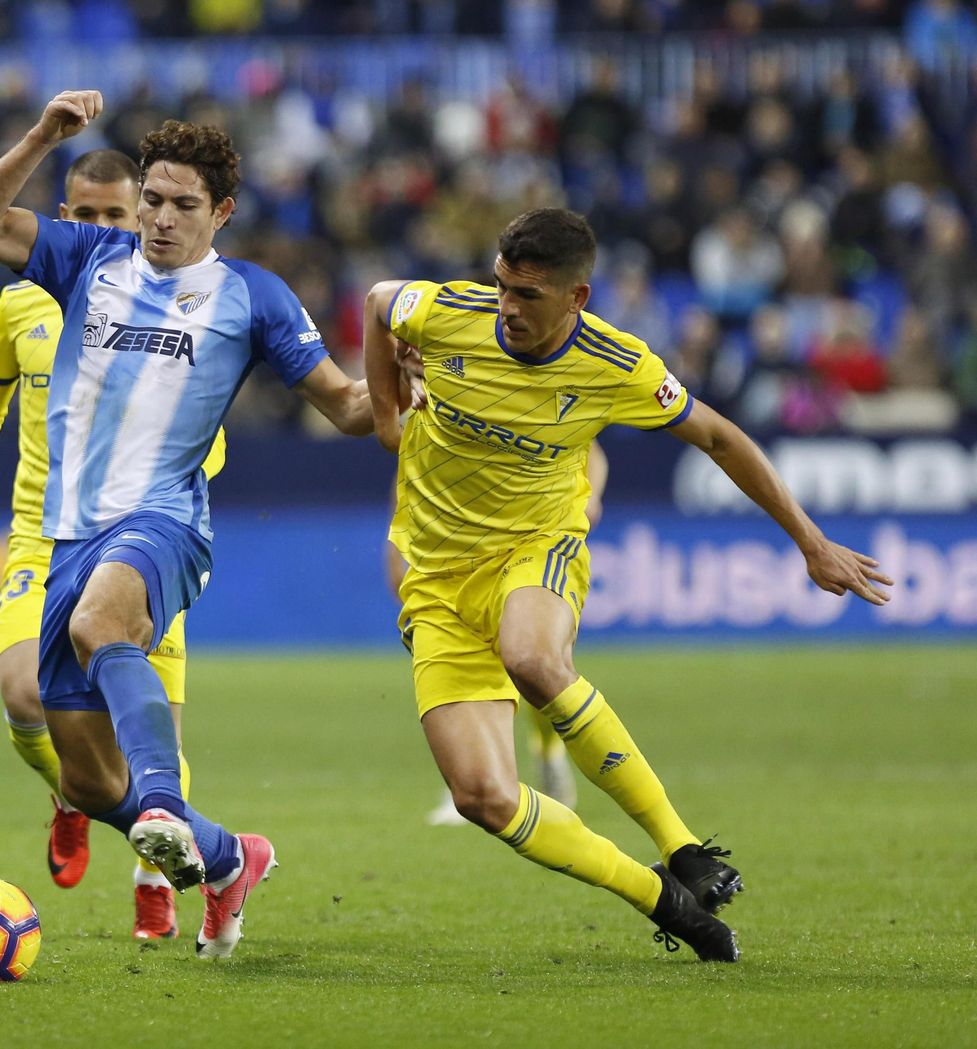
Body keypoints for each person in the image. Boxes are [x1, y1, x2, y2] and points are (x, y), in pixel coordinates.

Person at [363, 209, 893, 962]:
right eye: (503, 284)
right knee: (482, 797)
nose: (509, 306)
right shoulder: (451, 312)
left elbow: (718, 435)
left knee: (534, 658)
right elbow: (379, 300)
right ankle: (662, 897)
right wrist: (389, 415)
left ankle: (682, 846)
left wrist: (810, 543)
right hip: (437, 579)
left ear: (577, 297)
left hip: (533, 548)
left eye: (530, 294)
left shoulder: (618, 364)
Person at [0, 90, 371, 958]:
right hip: (67, 533)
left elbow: (347, 406)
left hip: (166, 517)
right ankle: (227, 857)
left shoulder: (253, 296)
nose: (162, 219)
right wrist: (40, 136)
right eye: (153, 200)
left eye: (183, 205)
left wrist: (405, 393)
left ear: (222, 213)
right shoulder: (88, 259)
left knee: (105, 626)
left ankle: (168, 804)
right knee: (94, 783)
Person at [0, 148, 228, 940]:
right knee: (25, 694)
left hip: (139, 539)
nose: (103, 228)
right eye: (86, 215)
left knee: (156, 732)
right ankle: (71, 794)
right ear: (63, 218)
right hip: (43, 535)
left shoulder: (179, 310)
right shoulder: (20, 304)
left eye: (117, 215)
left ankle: (157, 879)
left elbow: (211, 439)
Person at [397, 439, 606, 825]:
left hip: (529, 539)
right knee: (490, 663)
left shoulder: (524, 391)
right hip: (461, 542)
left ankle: (544, 752)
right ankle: (485, 773)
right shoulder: (434, 398)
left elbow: (591, 447)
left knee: (534, 663)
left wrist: (590, 497)